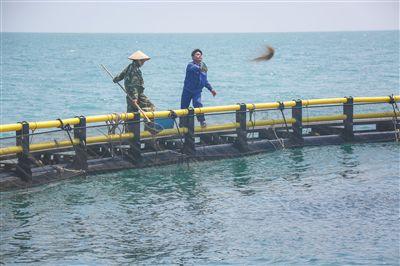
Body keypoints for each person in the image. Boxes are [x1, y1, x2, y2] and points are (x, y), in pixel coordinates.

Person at [181, 49, 217, 128]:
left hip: (197, 91)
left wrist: (211, 89)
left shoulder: (203, 65)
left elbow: (204, 80)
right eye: (197, 54)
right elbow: (195, 68)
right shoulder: (190, 65)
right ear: (193, 57)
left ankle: (202, 121)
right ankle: (182, 125)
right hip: (187, 90)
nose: (199, 56)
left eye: (200, 54)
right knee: (183, 108)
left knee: (198, 104)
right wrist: (202, 66)